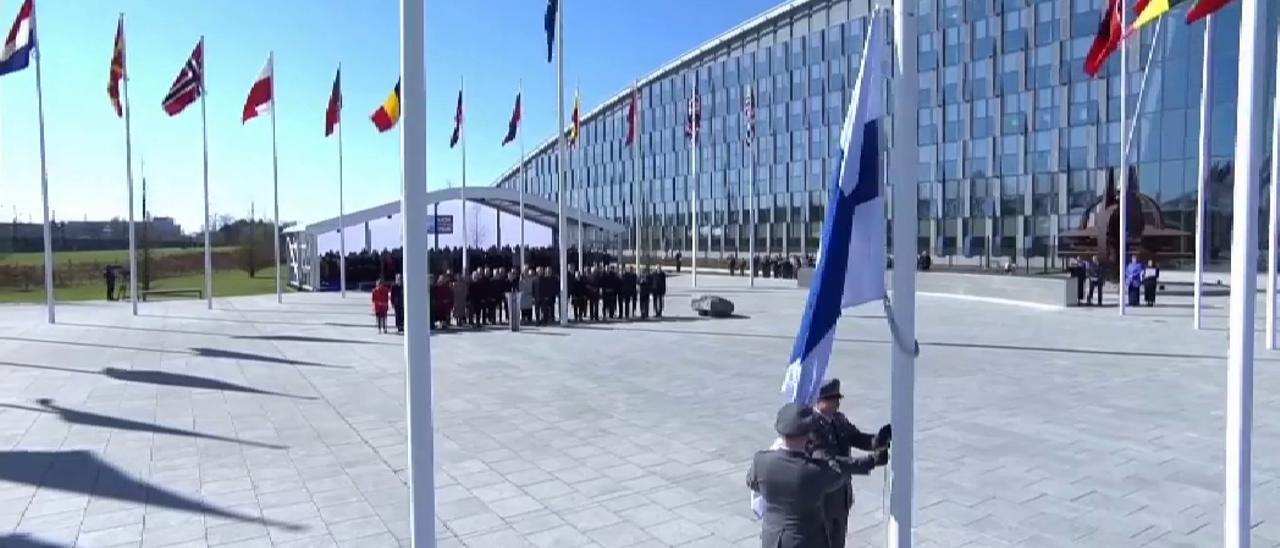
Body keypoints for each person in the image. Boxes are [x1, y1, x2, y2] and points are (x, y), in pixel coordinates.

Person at [746, 402, 887, 548]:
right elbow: (842, 470)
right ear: (809, 434)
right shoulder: (812, 471)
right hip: (805, 541)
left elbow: (751, 482)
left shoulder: (760, 460)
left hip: (772, 539)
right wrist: (872, 461)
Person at [809, 379, 891, 548]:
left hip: (841, 495)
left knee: (838, 541)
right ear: (819, 400)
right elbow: (829, 461)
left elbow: (856, 437)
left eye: (838, 398)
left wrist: (878, 440)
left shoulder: (839, 419)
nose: (838, 403)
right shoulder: (811, 426)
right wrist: (871, 461)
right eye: (833, 399)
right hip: (822, 498)